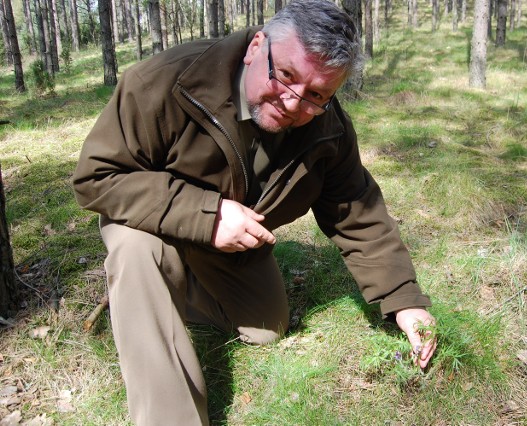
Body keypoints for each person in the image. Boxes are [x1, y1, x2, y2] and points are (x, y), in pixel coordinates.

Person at [73, 0, 436, 424]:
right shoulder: (163, 81)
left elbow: (356, 207)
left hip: (228, 242)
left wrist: (403, 299)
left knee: (266, 327)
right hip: (148, 221)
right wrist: (206, 216)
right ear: (256, 46)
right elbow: (97, 177)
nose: (293, 103)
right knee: (137, 251)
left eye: (317, 94)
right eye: (285, 76)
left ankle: (170, 285)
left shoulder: (327, 128)